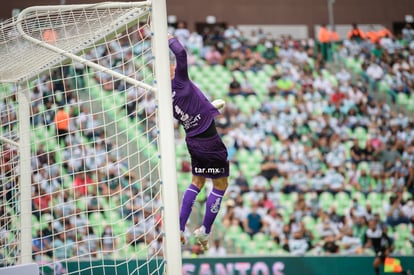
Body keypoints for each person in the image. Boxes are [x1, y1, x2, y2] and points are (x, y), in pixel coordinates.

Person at [168, 34, 229, 251]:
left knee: (197, 182)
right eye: (169, 67)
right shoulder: (181, 82)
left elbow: (192, 109)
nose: (173, 66)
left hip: (193, 140)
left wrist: (209, 107)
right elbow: (181, 55)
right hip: (209, 140)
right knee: (220, 185)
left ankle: (181, 228)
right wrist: (170, 39)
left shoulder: (167, 98)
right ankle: (204, 231)